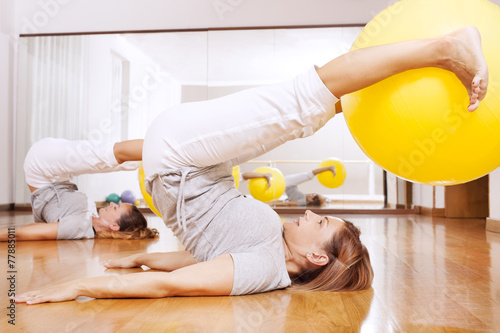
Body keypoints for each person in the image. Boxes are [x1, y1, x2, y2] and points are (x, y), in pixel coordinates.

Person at [15, 26, 487, 304]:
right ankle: (384, 91)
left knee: (304, 103)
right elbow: (197, 257)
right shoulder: (271, 253)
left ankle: (443, 48)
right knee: (310, 111)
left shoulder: (263, 270)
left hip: (179, 159)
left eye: (319, 220)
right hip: (187, 160)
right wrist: (140, 258)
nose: (308, 212)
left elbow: (175, 286)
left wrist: (78, 288)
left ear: (317, 257)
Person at [0, 138, 158, 241]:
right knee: (120, 161)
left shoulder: (79, 227)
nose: (111, 204)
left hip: (42, 171)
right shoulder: (93, 221)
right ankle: (159, 154)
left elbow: (26, 233)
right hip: (58, 176)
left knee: (106, 154)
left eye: (115, 208)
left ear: (115, 226)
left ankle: (165, 149)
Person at [241, 165, 336, 206]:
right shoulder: (304, 200)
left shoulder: (303, 201)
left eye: (313, 195)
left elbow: (289, 203)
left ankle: (329, 167)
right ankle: (329, 168)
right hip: (287, 183)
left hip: (286, 183)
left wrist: (272, 204)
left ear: (311, 200)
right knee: (308, 176)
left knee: (308, 175)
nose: (310, 194)